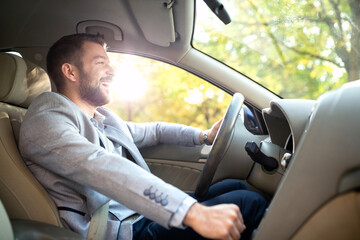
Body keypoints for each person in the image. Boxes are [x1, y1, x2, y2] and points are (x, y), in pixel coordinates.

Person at [19, 33, 268, 240]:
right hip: (122, 231)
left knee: (237, 187)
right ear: (70, 72)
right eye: (100, 63)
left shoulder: (101, 118)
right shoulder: (47, 117)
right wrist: (192, 212)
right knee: (248, 203)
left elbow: (154, 131)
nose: (112, 71)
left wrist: (204, 135)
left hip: (139, 214)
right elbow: (100, 166)